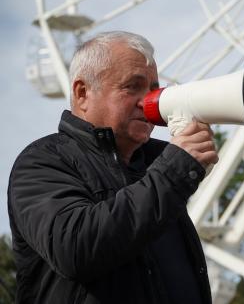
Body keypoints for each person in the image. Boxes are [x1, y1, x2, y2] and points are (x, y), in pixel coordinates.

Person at [8, 31, 219, 303]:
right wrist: (173, 171)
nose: (148, 101)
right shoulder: (41, 162)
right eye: (132, 86)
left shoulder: (157, 163)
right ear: (82, 93)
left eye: (153, 89)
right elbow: (74, 249)